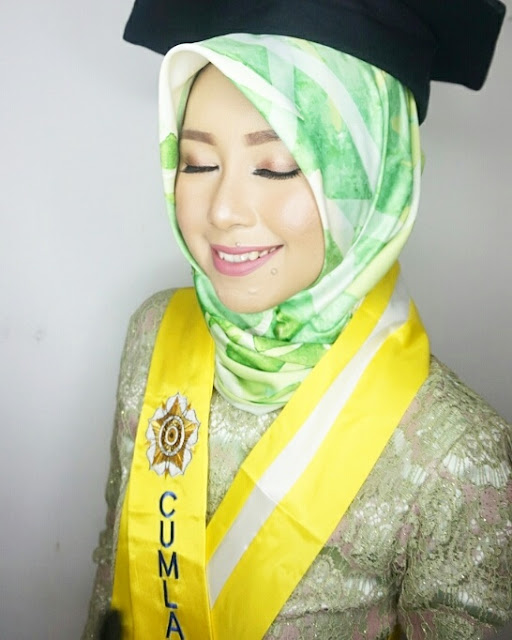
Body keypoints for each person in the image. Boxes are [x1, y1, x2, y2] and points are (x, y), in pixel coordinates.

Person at [82, 1, 512, 638]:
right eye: (197, 162)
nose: (223, 210)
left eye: (277, 166)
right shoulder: (153, 334)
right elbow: (113, 578)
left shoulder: (458, 457)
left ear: (373, 178)